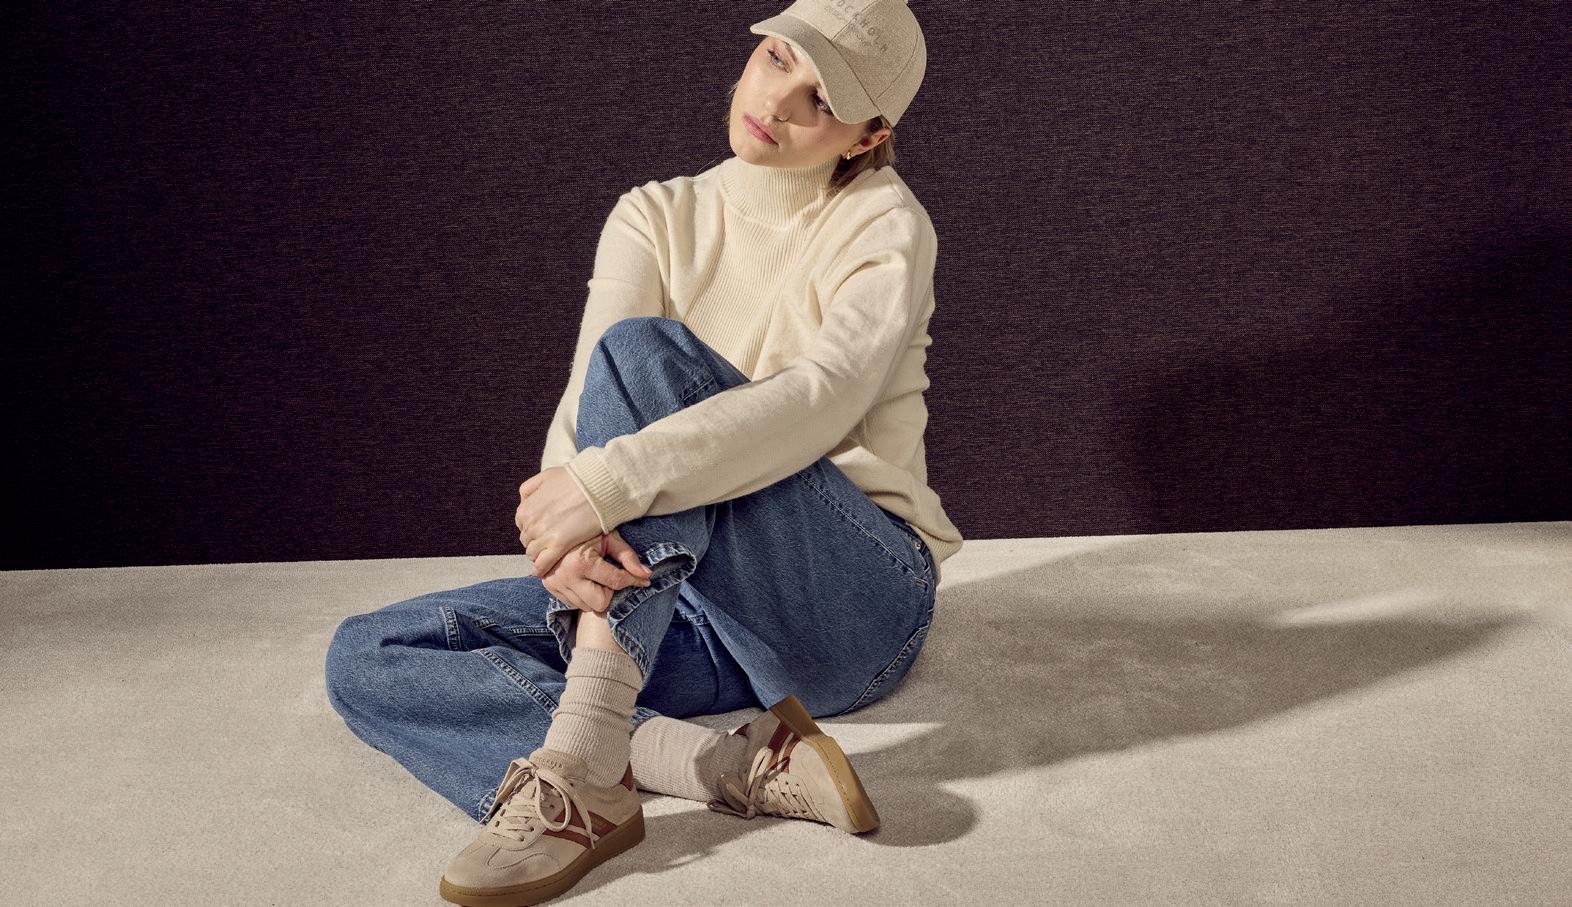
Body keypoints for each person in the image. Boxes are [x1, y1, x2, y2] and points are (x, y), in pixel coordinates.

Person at [323, 1, 962, 903]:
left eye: (821, 101)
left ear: (868, 137)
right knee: (373, 651)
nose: (777, 101)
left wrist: (602, 484)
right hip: (693, 606)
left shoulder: (885, 224)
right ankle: (721, 764)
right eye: (779, 59)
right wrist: (569, 543)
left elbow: (822, 399)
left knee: (648, 356)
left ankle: (580, 770)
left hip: (851, 604)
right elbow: (588, 400)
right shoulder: (656, 213)